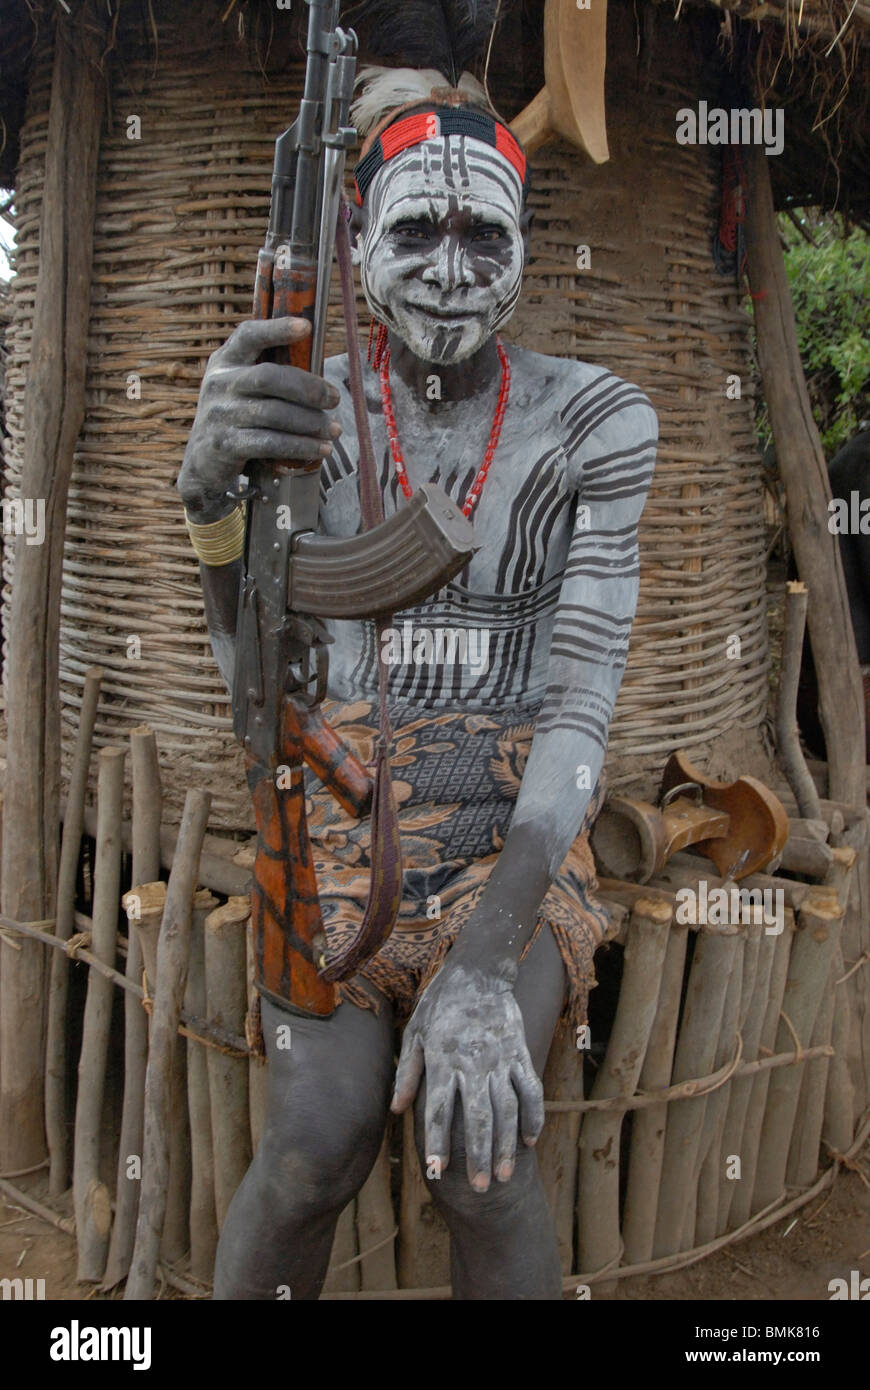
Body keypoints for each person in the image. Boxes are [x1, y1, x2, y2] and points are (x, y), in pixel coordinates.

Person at [178, 68, 658, 1300]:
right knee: (311, 1146)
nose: (449, 267)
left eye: (481, 233)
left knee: (481, 1159)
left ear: (526, 246)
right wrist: (212, 516)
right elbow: (254, 693)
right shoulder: (303, 418)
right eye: (413, 230)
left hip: (515, 841)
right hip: (339, 829)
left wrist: (489, 959)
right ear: (354, 239)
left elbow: (580, 712)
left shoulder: (596, 423)